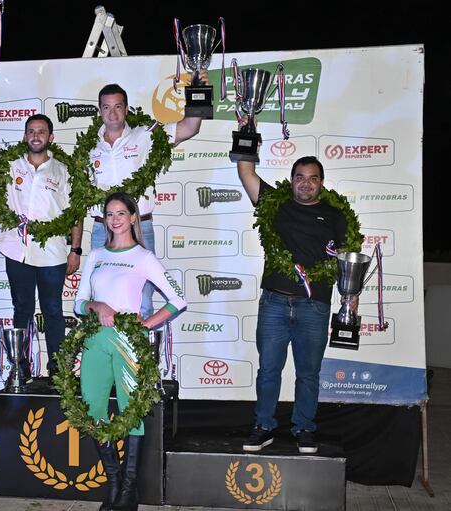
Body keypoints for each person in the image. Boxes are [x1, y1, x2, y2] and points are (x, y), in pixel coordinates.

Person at [236, 144, 353, 454]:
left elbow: (345, 261)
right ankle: (264, 426)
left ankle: (304, 428)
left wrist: (350, 301)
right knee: (269, 370)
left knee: (308, 373)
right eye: (299, 177)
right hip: (274, 302)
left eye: (312, 178)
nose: (305, 183)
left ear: (321, 184)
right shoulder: (276, 205)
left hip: (314, 306)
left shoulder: (336, 216)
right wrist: (248, 129)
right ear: (291, 180)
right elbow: (246, 172)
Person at [74, 192, 186, 511]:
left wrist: (146, 324)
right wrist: (98, 305)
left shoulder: (144, 257)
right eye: (109, 214)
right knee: (93, 412)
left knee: (130, 413)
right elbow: (79, 303)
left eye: (121, 213)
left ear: (134, 217)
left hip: (128, 344)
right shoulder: (95, 255)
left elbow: (178, 300)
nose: (115, 219)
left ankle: (129, 488)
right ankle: (114, 482)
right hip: (95, 341)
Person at [0, 95, 82, 380]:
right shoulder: (10, 163)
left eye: (41, 131)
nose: (35, 136)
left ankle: (57, 371)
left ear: (50, 136)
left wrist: (75, 248)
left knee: (53, 309)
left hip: (52, 251)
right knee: (22, 310)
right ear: (25, 136)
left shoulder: (64, 171)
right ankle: (21, 367)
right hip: (17, 250)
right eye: (31, 131)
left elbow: (76, 212)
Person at [87, 75, 207, 319]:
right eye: (106, 107)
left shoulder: (146, 135)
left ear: (127, 109)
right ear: (99, 111)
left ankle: (139, 355)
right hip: (101, 229)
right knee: (98, 301)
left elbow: (190, 127)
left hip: (139, 225)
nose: (112, 113)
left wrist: (198, 89)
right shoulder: (88, 147)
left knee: (141, 302)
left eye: (118, 106)